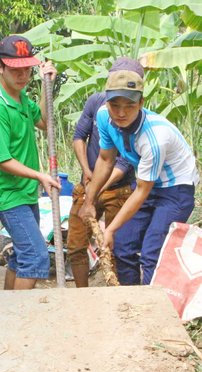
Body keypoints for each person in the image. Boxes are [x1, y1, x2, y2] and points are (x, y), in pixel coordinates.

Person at [79, 58, 199, 285]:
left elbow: (142, 191)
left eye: (129, 106)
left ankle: (152, 310)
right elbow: (105, 159)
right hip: (147, 185)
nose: (121, 113)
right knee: (123, 246)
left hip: (176, 190)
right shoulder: (104, 117)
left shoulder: (154, 138)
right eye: (115, 105)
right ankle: (130, 301)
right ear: (106, 102)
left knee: (153, 251)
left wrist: (110, 229)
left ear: (141, 102)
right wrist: (89, 201)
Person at [0, 35, 59, 290]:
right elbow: (2, 161)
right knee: (36, 256)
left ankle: (7, 311)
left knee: (22, 256)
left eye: (27, 69)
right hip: (7, 193)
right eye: (15, 69)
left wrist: (48, 87)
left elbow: (45, 123)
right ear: (1, 67)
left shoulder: (21, 97)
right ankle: (22, 317)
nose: (22, 75)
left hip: (24, 191)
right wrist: (40, 176)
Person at [67, 79, 135, 287]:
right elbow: (79, 137)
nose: (120, 112)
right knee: (76, 244)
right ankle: (83, 295)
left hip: (119, 189)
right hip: (87, 184)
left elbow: (123, 160)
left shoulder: (132, 114)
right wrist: (87, 172)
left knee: (117, 247)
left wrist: (96, 187)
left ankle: (115, 294)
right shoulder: (96, 103)